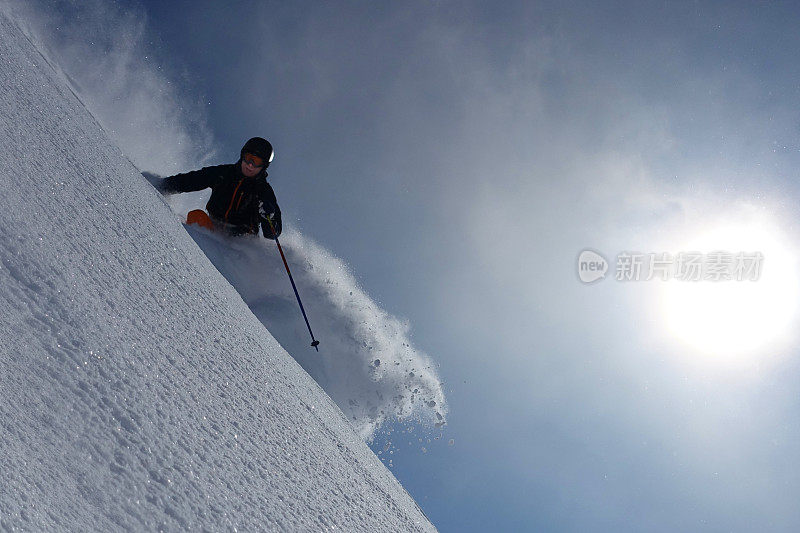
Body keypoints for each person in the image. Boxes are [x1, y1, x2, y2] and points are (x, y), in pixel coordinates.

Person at [159, 137, 282, 239]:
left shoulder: (264, 191)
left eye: (256, 162)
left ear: (264, 166)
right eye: (249, 158)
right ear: (242, 155)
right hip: (212, 229)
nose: (250, 165)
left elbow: (272, 234)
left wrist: (269, 217)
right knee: (196, 216)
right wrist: (162, 185)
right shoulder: (224, 173)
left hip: (240, 241)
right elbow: (193, 180)